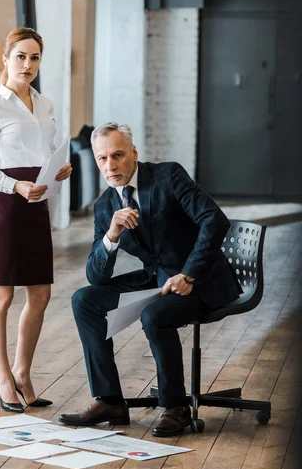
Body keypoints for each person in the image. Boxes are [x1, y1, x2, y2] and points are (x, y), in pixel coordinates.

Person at [59, 122, 240, 436]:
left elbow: (214, 219)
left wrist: (189, 275)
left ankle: (176, 407)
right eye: (102, 158)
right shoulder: (105, 207)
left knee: (153, 316)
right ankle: (110, 400)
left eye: (117, 155)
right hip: (157, 278)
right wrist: (112, 235)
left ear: (134, 153)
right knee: (84, 300)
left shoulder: (168, 176)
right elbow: (96, 275)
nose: (110, 165)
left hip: (202, 278)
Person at [0, 27, 72, 413]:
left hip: (37, 204)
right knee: (3, 296)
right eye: (21, 57)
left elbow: (46, 152)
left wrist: (58, 170)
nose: (27, 65)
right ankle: (2, 378)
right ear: (6, 59)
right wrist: (14, 186)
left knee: (41, 294)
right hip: (8, 206)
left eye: (34, 58)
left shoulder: (45, 105)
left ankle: (23, 373)